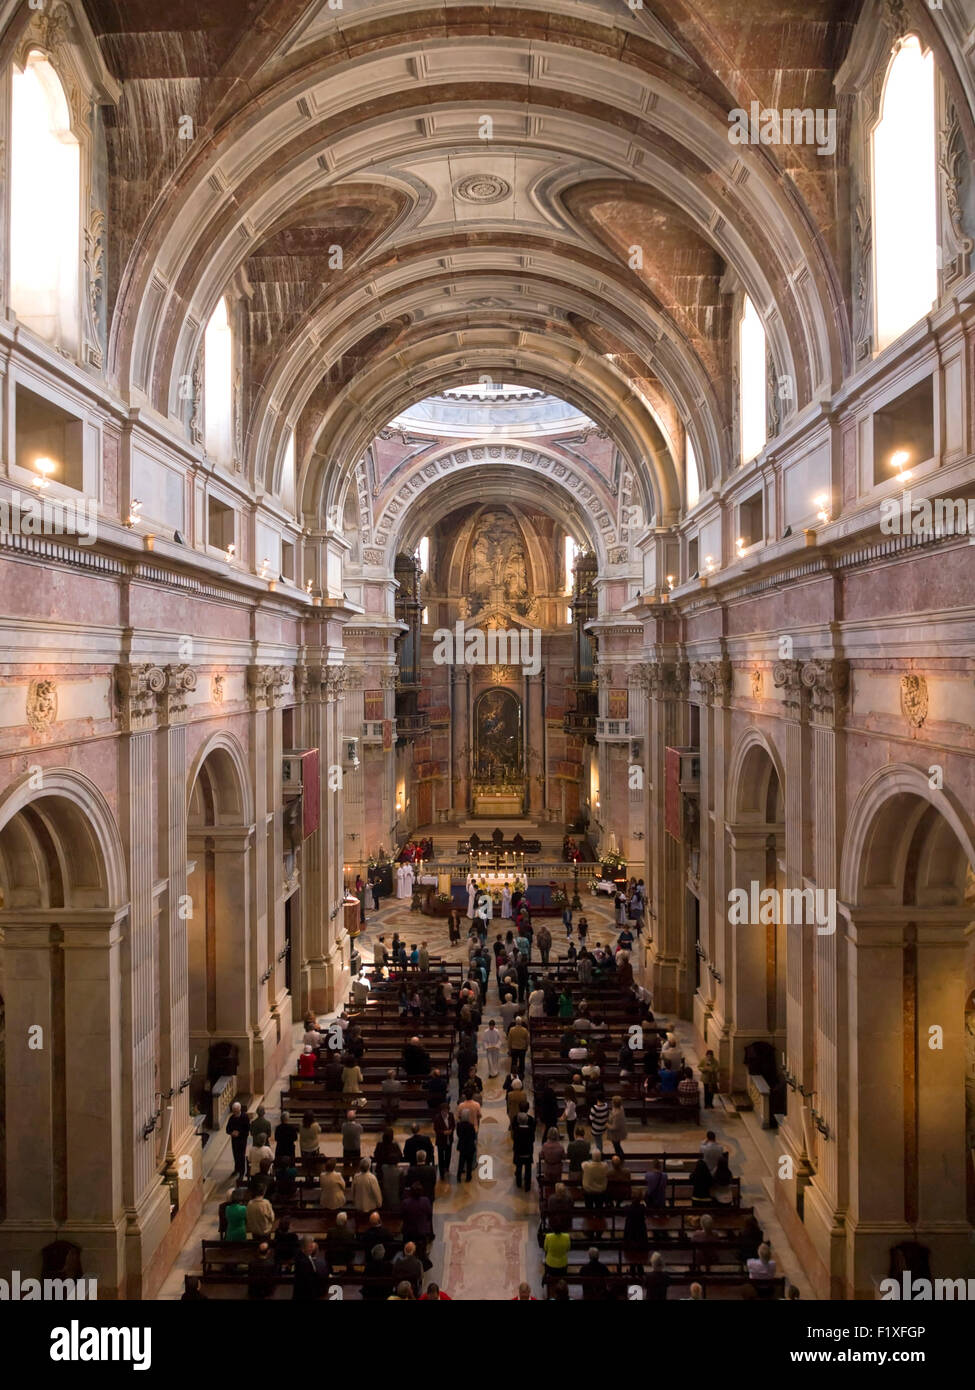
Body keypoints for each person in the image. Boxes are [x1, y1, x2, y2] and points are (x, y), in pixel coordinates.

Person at [401, 1182, 435, 1268]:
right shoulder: (426, 1201)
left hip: (409, 1231)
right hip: (421, 1231)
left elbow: (403, 1216)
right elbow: (429, 1215)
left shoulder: (406, 1202)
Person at [512, 1100, 536, 1190]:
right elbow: (533, 1134)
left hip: (518, 1147)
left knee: (518, 1166)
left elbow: (514, 1131)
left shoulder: (515, 1118)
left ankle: (518, 1183)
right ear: (527, 1109)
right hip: (528, 1148)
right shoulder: (531, 1120)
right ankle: (527, 1186)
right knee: (528, 1168)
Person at [292, 1236, 325, 1301]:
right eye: (310, 1247)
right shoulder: (303, 1261)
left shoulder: (303, 1257)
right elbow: (308, 1280)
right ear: (304, 1247)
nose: (311, 1249)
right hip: (304, 1295)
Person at [622, 1197, 649, 1273]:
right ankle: (640, 1270)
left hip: (630, 1236)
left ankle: (632, 1270)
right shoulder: (642, 1208)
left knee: (632, 1255)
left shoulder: (628, 1209)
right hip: (641, 1236)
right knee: (640, 1254)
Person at [226, 1101, 250, 1181]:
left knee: (241, 1156)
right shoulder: (232, 1118)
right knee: (235, 1155)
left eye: (236, 1111)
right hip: (234, 1140)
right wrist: (231, 1132)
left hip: (242, 1140)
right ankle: (236, 1169)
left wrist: (239, 1133)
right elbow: (227, 1129)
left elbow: (247, 1130)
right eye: (234, 1111)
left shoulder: (245, 1117)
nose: (235, 1112)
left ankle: (242, 1172)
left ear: (239, 1110)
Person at [433, 1102, 455, 1178]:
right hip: (441, 1140)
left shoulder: (451, 1115)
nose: (445, 1113)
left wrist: (451, 1130)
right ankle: (441, 1172)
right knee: (441, 1156)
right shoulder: (437, 1118)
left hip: (449, 1139)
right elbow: (436, 1129)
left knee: (448, 1155)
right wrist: (443, 1132)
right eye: (443, 1111)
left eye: (446, 1111)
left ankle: (447, 1168)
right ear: (441, 1111)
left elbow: (453, 1125)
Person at [299, 1110, 322, 1176]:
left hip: (304, 1147)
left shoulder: (301, 1125)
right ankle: (313, 1175)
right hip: (314, 1147)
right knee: (314, 1164)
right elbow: (320, 1131)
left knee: (305, 1164)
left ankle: (307, 1176)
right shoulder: (315, 1125)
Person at [456, 1113, 477, 1181]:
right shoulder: (471, 1125)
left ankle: (458, 1177)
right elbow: (474, 1136)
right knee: (469, 1163)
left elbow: (458, 1134)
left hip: (462, 1146)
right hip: (469, 1146)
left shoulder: (459, 1125)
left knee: (461, 1162)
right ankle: (468, 1177)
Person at [606, 1094, 627, 1158]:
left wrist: (607, 1125)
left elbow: (614, 1127)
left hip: (616, 1134)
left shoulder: (617, 1114)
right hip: (618, 1132)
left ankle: (620, 1158)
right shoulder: (619, 1108)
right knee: (617, 1145)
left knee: (617, 1146)